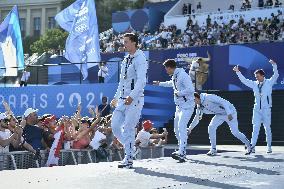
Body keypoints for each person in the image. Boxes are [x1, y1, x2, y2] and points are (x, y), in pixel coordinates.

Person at [110, 33, 148, 168]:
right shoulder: (126, 59)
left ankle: (129, 158)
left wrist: (131, 96)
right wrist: (115, 97)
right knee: (114, 126)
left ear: (134, 43)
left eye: (126, 42)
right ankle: (131, 149)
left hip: (135, 99)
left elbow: (142, 81)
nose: (124, 44)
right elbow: (122, 81)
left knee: (128, 128)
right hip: (121, 99)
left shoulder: (140, 58)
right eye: (123, 42)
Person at [233, 59, 279, 153]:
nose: (256, 78)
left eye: (257, 76)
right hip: (257, 109)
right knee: (255, 128)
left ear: (262, 75)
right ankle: (252, 147)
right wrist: (238, 72)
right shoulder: (254, 84)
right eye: (255, 76)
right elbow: (244, 80)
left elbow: (276, 75)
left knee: (267, 128)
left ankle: (269, 147)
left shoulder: (269, 82)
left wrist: (274, 65)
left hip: (266, 109)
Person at [153, 59, 195, 163]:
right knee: (176, 129)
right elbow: (171, 84)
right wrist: (160, 84)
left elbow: (190, 90)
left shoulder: (183, 75)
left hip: (187, 106)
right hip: (179, 106)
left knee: (181, 127)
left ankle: (182, 151)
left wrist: (179, 93)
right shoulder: (175, 76)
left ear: (170, 67)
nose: (166, 71)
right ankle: (182, 150)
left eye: (166, 68)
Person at [187, 93, 252, 156]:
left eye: (193, 100)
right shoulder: (199, 107)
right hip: (220, 115)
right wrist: (190, 129)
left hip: (230, 112)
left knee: (235, 132)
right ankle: (213, 149)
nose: (192, 102)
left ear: (196, 98)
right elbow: (196, 119)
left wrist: (229, 113)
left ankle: (249, 145)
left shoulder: (208, 97)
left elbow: (223, 102)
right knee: (211, 127)